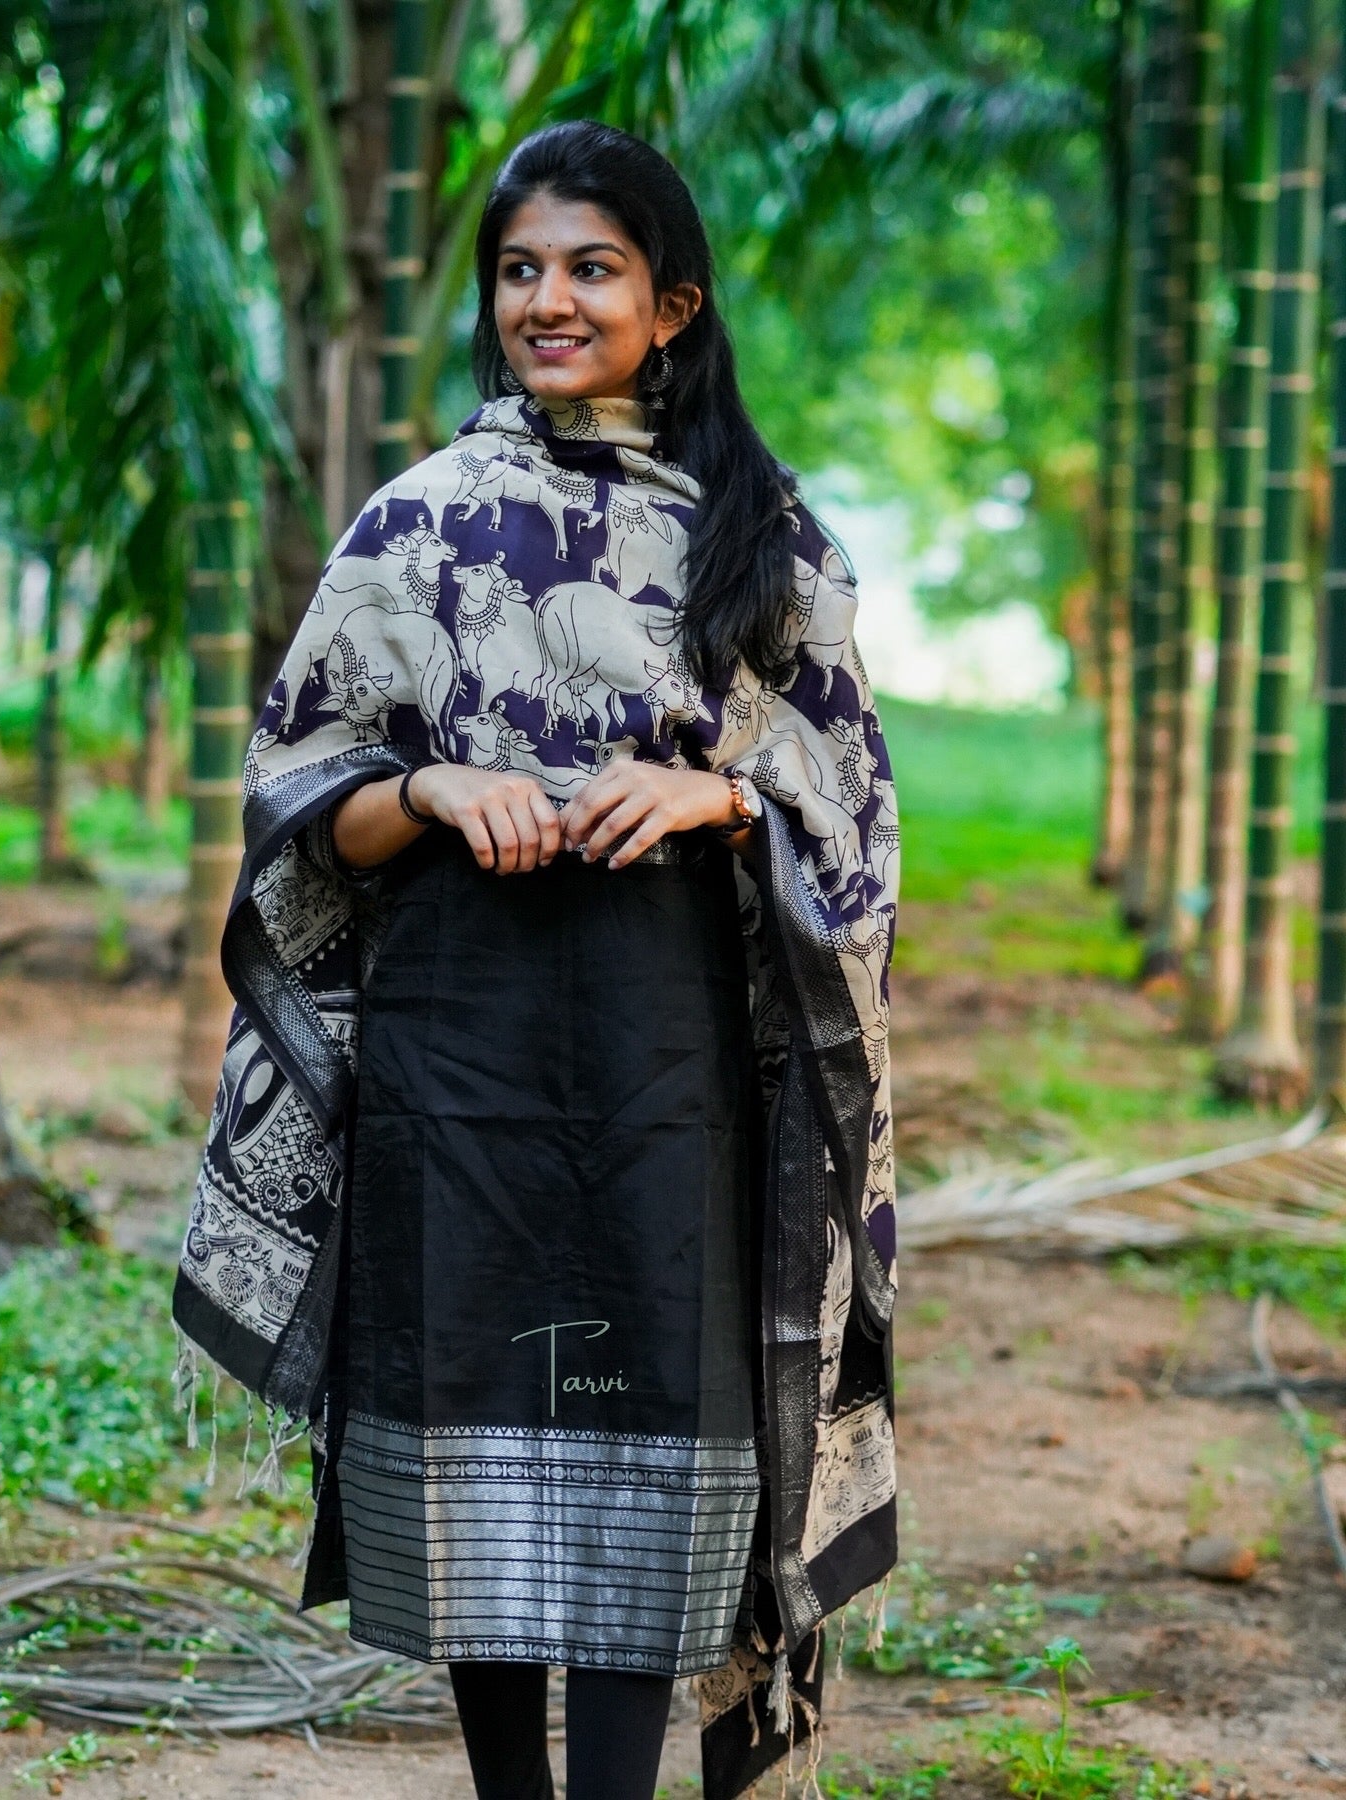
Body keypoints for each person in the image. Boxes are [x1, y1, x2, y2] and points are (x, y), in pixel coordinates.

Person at [173, 119, 900, 1800]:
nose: (550, 303)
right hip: (459, 1057)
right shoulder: (413, 530)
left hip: (682, 1072)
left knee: (660, 1442)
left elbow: (849, 819)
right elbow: (300, 812)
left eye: (593, 270)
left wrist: (714, 793)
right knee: (478, 1455)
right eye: (521, 271)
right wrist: (428, 786)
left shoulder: (769, 544)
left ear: (675, 303)